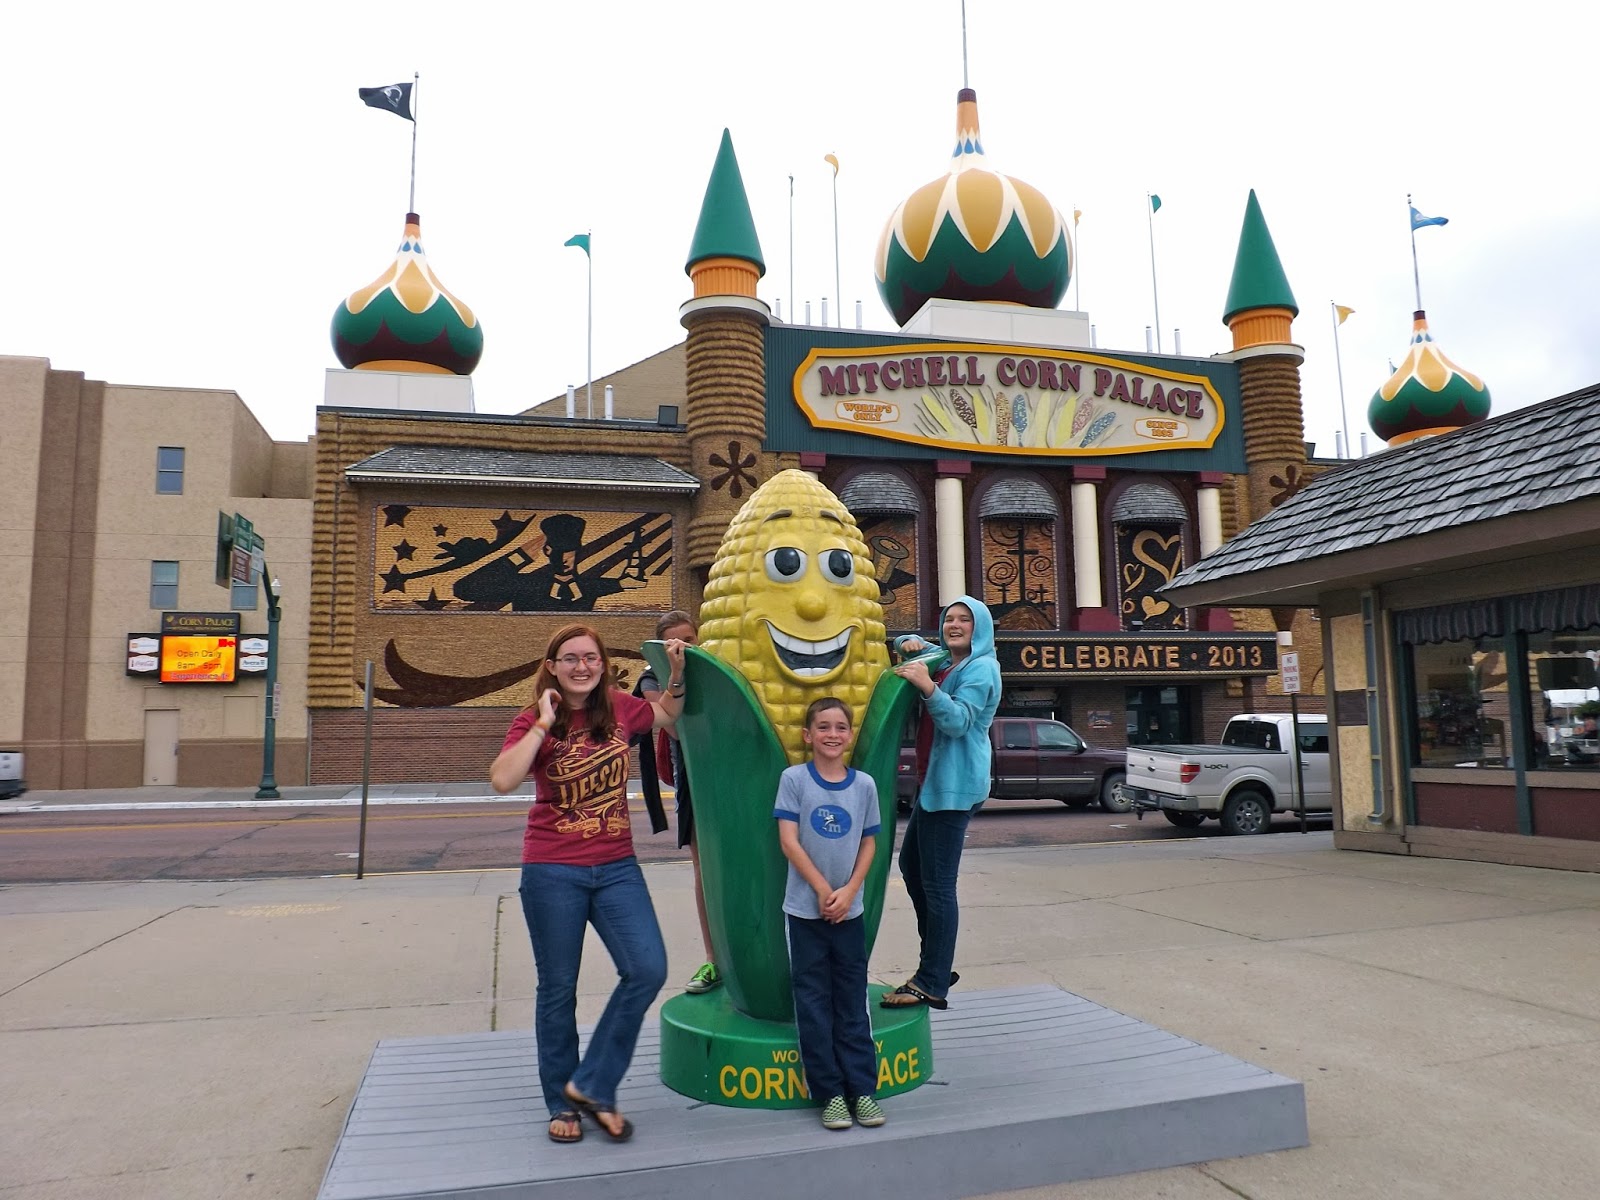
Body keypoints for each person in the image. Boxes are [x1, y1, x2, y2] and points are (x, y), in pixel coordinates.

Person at [490, 623, 687, 1145]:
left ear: (603, 665)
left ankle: (593, 1083)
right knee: (558, 989)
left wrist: (679, 672)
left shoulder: (621, 708)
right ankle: (564, 1101)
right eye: (570, 658)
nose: (582, 666)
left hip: (617, 865)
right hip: (553, 869)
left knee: (647, 968)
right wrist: (543, 724)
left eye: (591, 658)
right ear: (552, 666)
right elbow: (503, 779)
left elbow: (667, 713)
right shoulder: (533, 719)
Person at [881, 596, 1001, 1011]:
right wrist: (910, 642)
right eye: (949, 618)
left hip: (954, 788)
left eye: (964, 619)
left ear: (979, 627)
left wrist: (927, 687)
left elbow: (958, 722)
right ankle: (936, 961)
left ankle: (932, 979)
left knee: (937, 884)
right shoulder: (947, 660)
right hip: (934, 785)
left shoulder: (981, 668)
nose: (954, 624)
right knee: (911, 867)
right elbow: (917, 648)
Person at [775, 697, 887, 1130]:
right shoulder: (794, 779)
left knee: (852, 1002)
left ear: (850, 735)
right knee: (814, 1002)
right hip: (805, 913)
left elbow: (870, 842)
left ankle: (862, 1090)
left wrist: (849, 891)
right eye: (823, 727)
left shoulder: (865, 786)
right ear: (808, 735)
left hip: (849, 912)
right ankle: (831, 1094)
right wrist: (823, 890)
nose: (832, 734)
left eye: (841, 727)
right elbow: (789, 840)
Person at [634, 610, 720, 993]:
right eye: (675, 643)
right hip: (694, 779)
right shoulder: (653, 677)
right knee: (705, 869)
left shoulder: (717, 667)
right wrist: (677, 672)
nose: (685, 648)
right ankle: (713, 959)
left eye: (690, 639)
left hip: (731, 772)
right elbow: (673, 725)